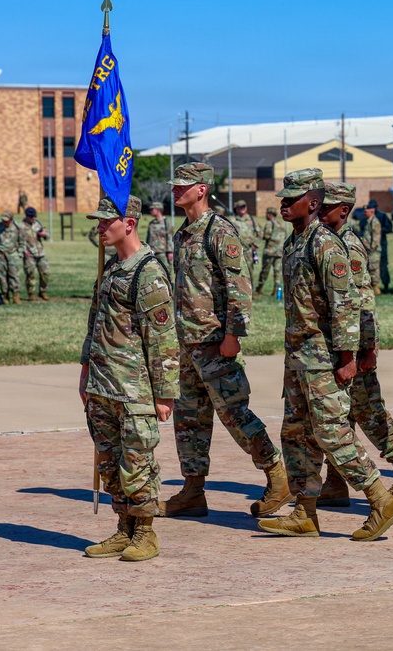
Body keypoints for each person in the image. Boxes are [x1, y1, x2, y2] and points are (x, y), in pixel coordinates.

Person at [257, 168, 393, 541]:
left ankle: (380, 498)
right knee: (295, 434)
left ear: (313, 202)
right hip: (298, 358)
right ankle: (305, 512)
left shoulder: (325, 244)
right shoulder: (295, 242)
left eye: (291, 199)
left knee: (332, 433)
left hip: (322, 358)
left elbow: (346, 305)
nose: (284, 205)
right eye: (283, 199)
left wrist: (347, 357)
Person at [162, 163, 290, 519]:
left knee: (235, 414)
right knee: (189, 419)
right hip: (187, 343)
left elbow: (239, 288)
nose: (175, 191)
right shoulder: (182, 233)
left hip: (216, 342)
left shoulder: (219, 232)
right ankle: (192, 490)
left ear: (201, 189)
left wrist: (233, 335)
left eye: (182, 186)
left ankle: (277, 475)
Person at [80, 197, 178, 562]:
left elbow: (164, 338)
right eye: (99, 222)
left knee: (136, 463)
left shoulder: (147, 272)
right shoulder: (110, 268)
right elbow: (95, 323)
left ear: (130, 224)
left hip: (133, 387)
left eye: (107, 222)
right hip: (103, 383)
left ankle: (146, 533)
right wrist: (85, 368)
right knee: (109, 462)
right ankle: (124, 528)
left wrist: (166, 394)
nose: (100, 228)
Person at [316, 181, 393, 507]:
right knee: (340, 413)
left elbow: (363, 302)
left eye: (327, 207)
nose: (320, 211)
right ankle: (335, 481)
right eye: (319, 205)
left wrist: (367, 350)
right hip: (335, 344)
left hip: (353, 347)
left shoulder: (348, 246)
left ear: (344, 210)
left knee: (368, 411)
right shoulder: (326, 241)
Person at [17, 206, 50, 301]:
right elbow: (18, 241)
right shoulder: (21, 226)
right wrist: (23, 251)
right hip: (29, 254)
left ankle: (43, 291)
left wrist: (44, 234)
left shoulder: (38, 224)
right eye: (31, 217)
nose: (33, 218)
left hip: (40, 253)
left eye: (34, 216)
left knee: (45, 273)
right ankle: (31, 293)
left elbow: (46, 236)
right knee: (30, 274)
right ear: (27, 216)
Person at [255, 205, 287, 295]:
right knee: (277, 272)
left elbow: (266, 236)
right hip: (279, 252)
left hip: (270, 251)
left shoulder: (269, 224)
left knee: (265, 271)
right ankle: (276, 290)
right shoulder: (281, 224)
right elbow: (285, 236)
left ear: (269, 215)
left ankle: (259, 288)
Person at [229, 199, 260, 272]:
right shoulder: (232, 219)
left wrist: (255, 245)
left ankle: (251, 284)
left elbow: (260, 233)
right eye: (240, 207)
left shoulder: (251, 219)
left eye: (244, 207)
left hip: (248, 250)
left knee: (249, 271)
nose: (242, 208)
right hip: (236, 250)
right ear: (236, 209)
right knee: (236, 271)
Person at [361, 200, 383, 295]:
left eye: (366, 211)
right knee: (369, 269)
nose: (364, 213)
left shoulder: (375, 222)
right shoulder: (368, 221)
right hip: (368, 250)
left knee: (374, 269)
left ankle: (376, 288)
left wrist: (371, 248)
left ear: (372, 211)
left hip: (373, 251)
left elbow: (376, 238)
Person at [145, 201, 174, 271]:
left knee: (166, 270)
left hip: (162, 252)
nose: (150, 211)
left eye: (152, 209)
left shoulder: (166, 222)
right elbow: (148, 238)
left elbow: (170, 237)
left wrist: (170, 251)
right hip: (152, 252)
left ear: (158, 210)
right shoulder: (151, 223)